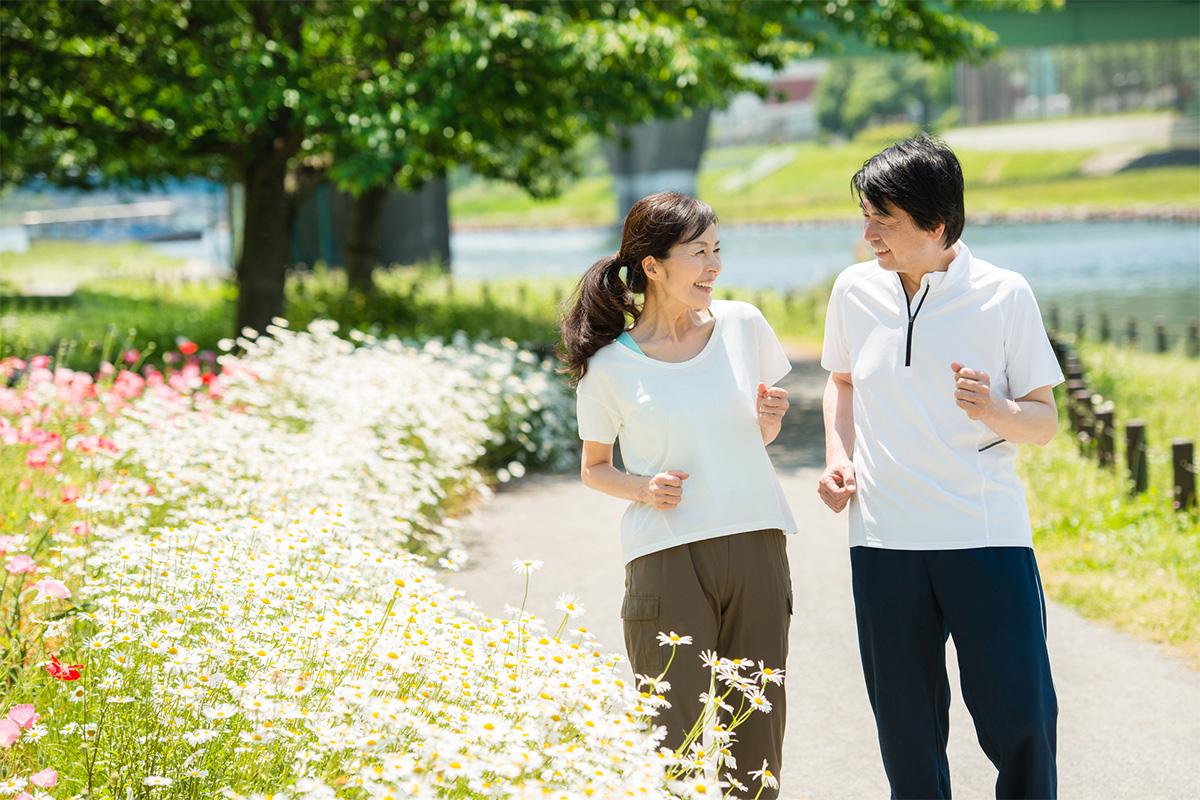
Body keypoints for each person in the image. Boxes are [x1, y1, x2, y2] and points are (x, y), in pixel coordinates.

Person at [818, 134, 1063, 799]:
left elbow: (1043, 423)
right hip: (884, 541)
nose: (868, 232)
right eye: (865, 216)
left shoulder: (1003, 295)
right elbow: (840, 383)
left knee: (1023, 717)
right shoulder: (853, 291)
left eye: (884, 220)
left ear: (937, 223)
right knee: (906, 732)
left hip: (982, 535)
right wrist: (840, 459)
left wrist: (993, 408)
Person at [559, 191, 796, 798]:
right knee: (675, 738)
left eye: (718, 250)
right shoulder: (609, 366)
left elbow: (754, 438)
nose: (714, 266)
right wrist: (644, 488)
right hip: (666, 555)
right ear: (653, 267)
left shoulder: (744, 325)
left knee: (757, 728)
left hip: (755, 540)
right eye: (698, 253)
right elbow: (594, 468)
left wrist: (770, 419)